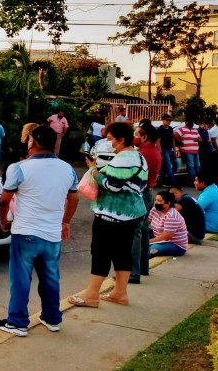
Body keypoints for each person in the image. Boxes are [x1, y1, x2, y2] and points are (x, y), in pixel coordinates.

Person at [0, 125, 78, 337]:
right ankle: (52, 318)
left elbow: (4, 200)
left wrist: (3, 221)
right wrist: (65, 222)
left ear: (32, 142)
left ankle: (17, 322)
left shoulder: (19, 168)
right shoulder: (67, 169)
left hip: (26, 233)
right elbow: (74, 198)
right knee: (51, 278)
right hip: (52, 234)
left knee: (21, 280)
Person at [68, 122, 147, 308]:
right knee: (122, 252)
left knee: (101, 252)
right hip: (130, 213)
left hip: (113, 214)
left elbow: (112, 185)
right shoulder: (137, 156)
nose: (109, 143)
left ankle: (91, 295)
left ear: (121, 140)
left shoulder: (125, 158)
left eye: (111, 139)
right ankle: (120, 293)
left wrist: (95, 171)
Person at [130, 122, 161, 284]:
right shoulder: (153, 151)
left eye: (137, 134)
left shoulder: (143, 154)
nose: (134, 137)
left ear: (144, 137)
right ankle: (142, 267)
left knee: (135, 233)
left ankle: (133, 272)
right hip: (148, 193)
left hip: (141, 194)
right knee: (142, 230)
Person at [147, 191, 189, 257]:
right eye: (155, 200)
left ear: (168, 203)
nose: (156, 202)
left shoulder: (172, 216)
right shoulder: (155, 209)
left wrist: (148, 241)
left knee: (149, 250)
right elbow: (147, 221)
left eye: (159, 201)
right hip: (158, 236)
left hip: (174, 244)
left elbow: (166, 237)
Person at [158, 114, 178, 187]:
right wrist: (160, 152)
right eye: (167, 120)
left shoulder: (170, 129)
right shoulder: (160, 129)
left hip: (170, 149)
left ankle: (169, 178)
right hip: (164, 148)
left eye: (170, 120)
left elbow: (172, 139)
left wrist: (174, 150)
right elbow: (158, 141)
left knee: (176, 164)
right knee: (168, 165)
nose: (168, 122)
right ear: (163, 120)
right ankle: (172, 182)